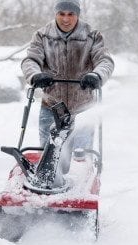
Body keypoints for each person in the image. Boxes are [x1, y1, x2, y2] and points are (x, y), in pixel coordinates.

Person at [21, 0, 114, 151]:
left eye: (71, 14)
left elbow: (105, 60)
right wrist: (35, 75)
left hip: (83, 107)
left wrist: (96, 75)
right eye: (61, 14)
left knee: (80, 155)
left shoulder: (92, 36)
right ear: (55, 14)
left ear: (77, 14)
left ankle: (81, 171)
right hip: (51, 107)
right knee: (48, 156)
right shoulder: (42, 36)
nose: (66, 19)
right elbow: (31, 60)